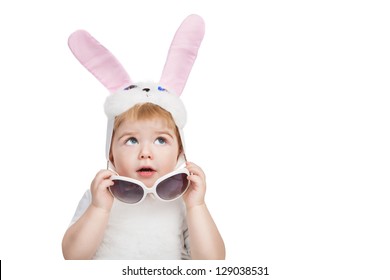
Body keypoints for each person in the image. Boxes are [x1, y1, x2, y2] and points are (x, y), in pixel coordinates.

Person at [62, 15, 225, 260]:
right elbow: (72, 257)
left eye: (161, 140)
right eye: (131, 140)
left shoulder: (183, 200)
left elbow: (213, 265)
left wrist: (196, 206)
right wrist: (98, 208)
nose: (145, 153)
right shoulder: (101, 195)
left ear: (181, 152)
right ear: (110, 153)